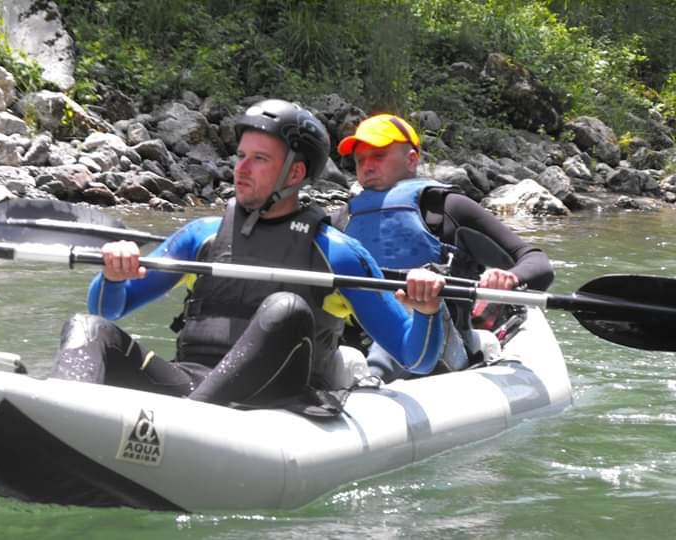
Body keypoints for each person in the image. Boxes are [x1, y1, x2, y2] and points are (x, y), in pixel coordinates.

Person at [50, 99, 462, 412]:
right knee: (88, 328)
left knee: (286, 309)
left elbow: (415, 358)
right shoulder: (201, 237)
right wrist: (113, 275)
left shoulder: (336, 253)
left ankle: (189, 422)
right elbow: (108, 308)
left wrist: (426, 311)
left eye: (259, 159)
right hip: (191, 384)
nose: (241, 169)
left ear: (295, 173)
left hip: (279, 403)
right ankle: (62, 415)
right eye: (242, 156)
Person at [336, 113, 554, 380]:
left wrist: (510, 278)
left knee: (400, 323)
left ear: (411, 159)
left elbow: (537, 262)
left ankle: (372, 376)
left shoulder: (446, 209)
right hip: (358, 349)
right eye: (360, 160)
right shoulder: (343, 219)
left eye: (378, 156)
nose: (367, 167)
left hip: (442, 350)